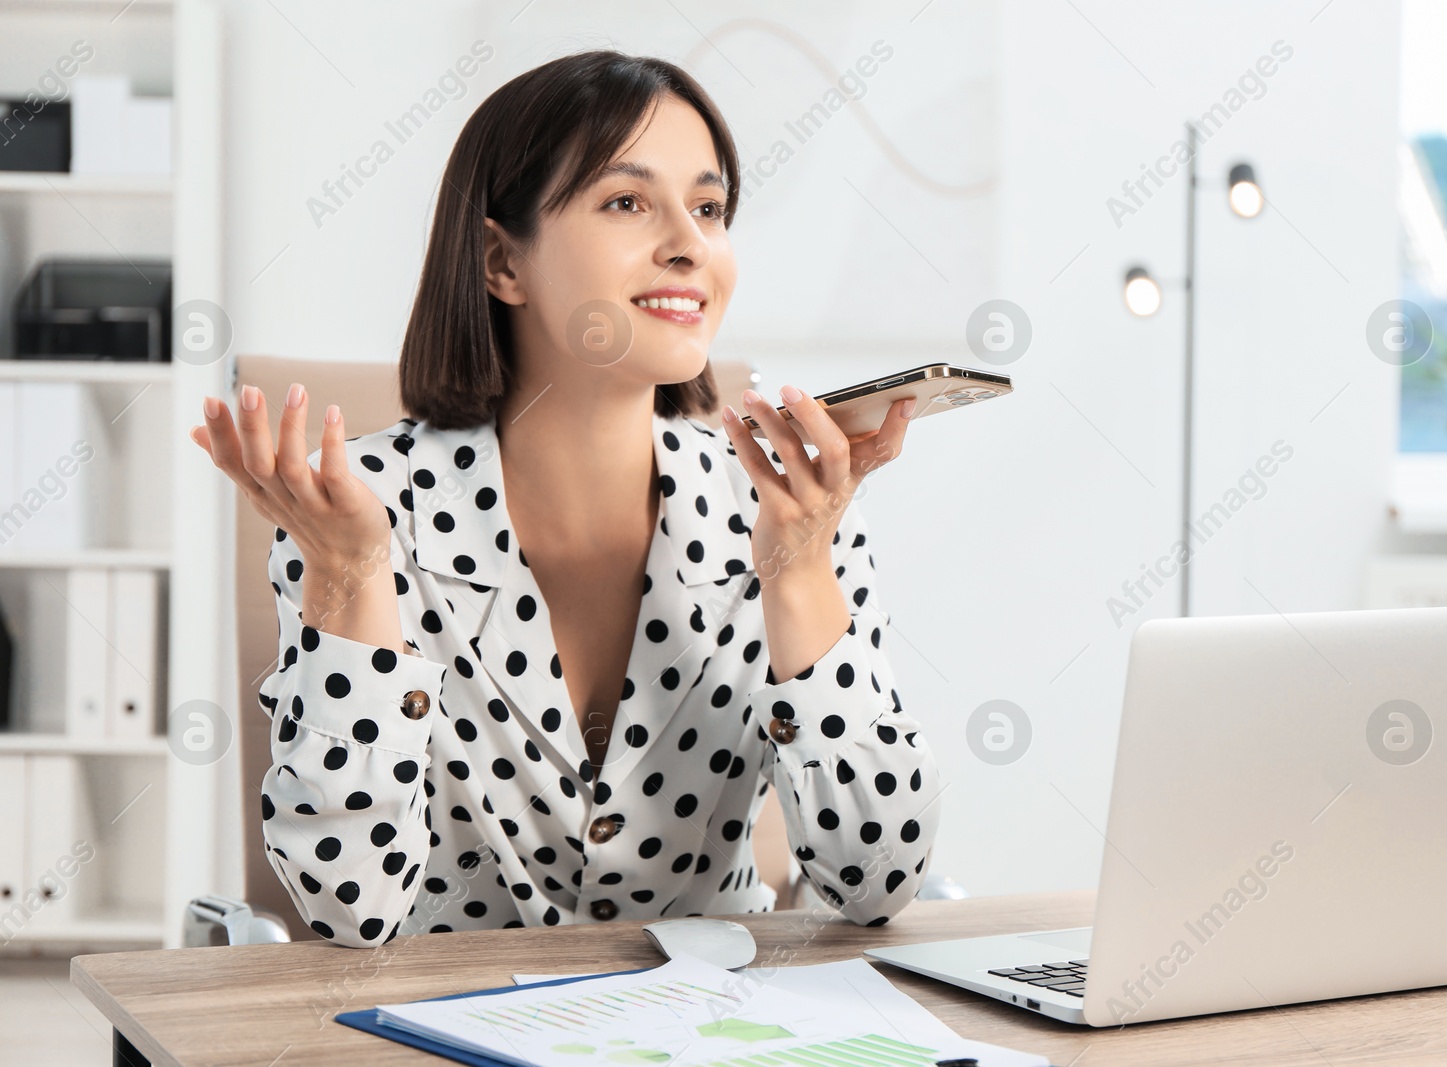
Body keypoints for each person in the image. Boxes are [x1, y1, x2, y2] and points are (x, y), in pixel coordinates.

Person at [189, 49, 941, 947]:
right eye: (627, 201)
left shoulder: (787, 505)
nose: (689, 244)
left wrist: (800, 569)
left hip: (721, 1029)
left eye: (708, 208)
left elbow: (879, 878)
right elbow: (350, 908)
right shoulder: (357, 510)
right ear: (502, 260)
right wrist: (351, 572)